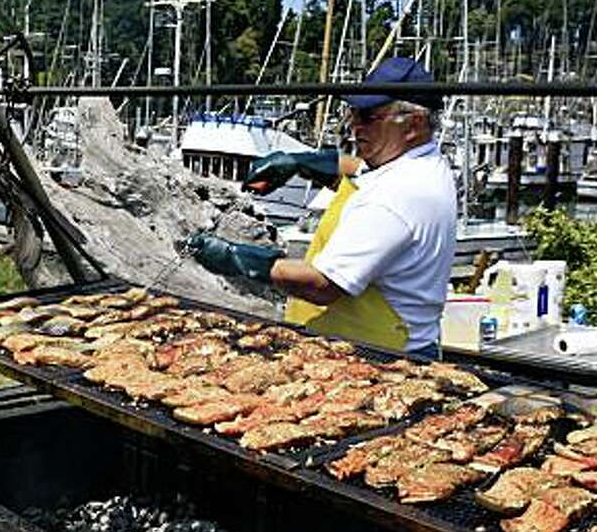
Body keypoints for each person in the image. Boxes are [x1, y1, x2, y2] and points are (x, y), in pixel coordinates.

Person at [190, 57, 456, 357]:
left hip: (379, 358)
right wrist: (302, 163)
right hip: (377, 342)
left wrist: (235, 258)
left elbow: (322, 286)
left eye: (368, 116)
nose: (354, 125)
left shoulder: (398, 196)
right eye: (351, 113)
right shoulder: (421, 163)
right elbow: (361, 171)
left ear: (414, 124)